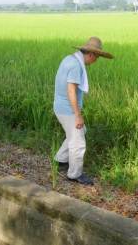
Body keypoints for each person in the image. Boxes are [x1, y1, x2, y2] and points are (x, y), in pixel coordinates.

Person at [53, 37, 113, 185]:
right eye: (97, 57)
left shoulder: (69, 58)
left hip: (60, 106)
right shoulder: (76, 66)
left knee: (80, 131)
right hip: (67, 109)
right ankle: (74, 174)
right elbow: (71, 90)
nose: (96, 61)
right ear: (92, 54)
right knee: (78, 142)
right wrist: (78, 115)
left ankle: (60, 160)